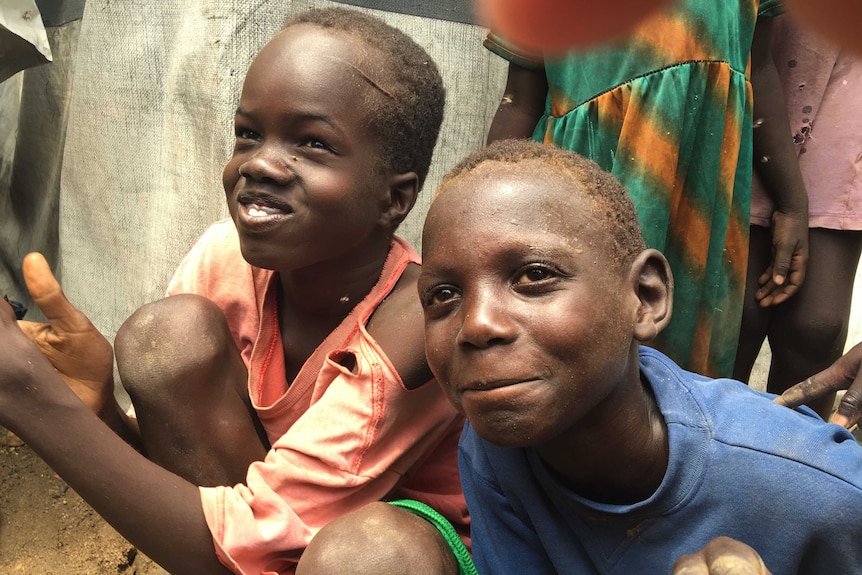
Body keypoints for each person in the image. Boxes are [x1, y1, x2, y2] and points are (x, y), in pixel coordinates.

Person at [0, 8, 471, 575]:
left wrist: (25, 393)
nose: (261, 163)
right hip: (273, 521)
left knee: (367, 554)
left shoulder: (417, 323)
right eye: (248, 134)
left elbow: (251, 535)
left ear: (394, 200)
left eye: (314, 143)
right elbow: (192, 489)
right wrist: (99, 410)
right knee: (166, 337)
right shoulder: (224, 258)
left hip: (390, 547)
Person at [416, 139, 862, 573]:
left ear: (645, 298)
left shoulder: (816, 485)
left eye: (535, 275)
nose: (476, 324)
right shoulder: (496, 445)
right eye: (444, 294)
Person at [483, 0, 809, 379]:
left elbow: (760, 67)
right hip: (581, 192)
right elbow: (520, 100)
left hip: (700, 204)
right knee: (574, 356)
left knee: (683, 377)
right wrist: (482, 220)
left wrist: (792, 203)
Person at [734, 13, 862, 420]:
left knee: (815, 327)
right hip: (739, 62)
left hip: (848, 83)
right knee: (733, 318)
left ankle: (793, 464)